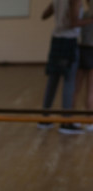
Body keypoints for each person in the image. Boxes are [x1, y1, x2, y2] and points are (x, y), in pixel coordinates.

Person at [38, 0, 93, 134]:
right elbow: (73, 23)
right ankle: (66, 122)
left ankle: (44, 118)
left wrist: (59, 16)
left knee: (53, 80)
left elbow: (44, 15)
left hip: (56, 38)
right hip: (68, 41)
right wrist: (90, 20)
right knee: (69, 82)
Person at [73, 0, 93, 129]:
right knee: (91, 89)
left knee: (76, 87)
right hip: (90, 50)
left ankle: (72, 118)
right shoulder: (87, 16)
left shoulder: (84, 15)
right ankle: (90, 120)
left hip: (82, 49)